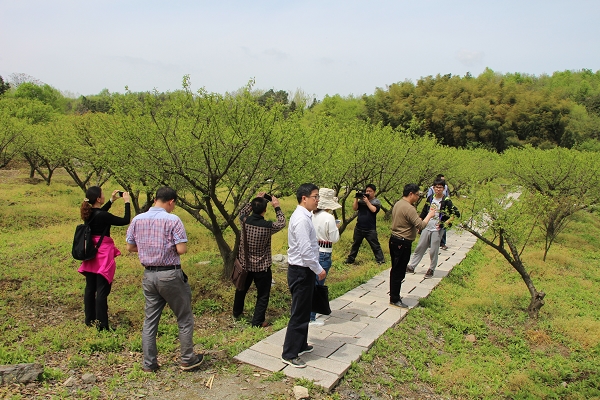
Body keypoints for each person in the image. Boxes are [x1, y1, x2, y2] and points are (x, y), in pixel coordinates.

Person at [126, 187, 203, 373]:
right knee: (184, 318)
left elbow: (130, 247)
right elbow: (181, 249)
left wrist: (148, 249)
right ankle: (187, 359)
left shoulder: (137, 219)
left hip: (149, 276)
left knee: (150, 320)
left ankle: (149, 363)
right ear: (171, 201)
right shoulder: (172, 220)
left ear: (155, 199)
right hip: (170, 274)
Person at [281, 183, 327, 368]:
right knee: (299, 313)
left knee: (304, 309)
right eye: (315, 197)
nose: (317, 200)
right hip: (301, 271)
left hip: (304, 270)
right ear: (304, 198)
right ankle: (290, 353)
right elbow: (305, 250)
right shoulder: (300, 219)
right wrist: (319, 269)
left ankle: (300, 344)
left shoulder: (306, 216)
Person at [78, 186, 131, 331]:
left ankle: (89, 320)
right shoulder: (102, 216)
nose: (104, 195)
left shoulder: (87, 213)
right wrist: (127, 202)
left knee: (90, 287)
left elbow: (99, 214)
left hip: (90, 251)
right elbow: (125, 220)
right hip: (102, 253)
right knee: (102, 290)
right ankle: (102, 325)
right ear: (98, 199)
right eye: (103, 194)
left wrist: (111, 201)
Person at [233, 192, 286, 327]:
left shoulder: (244, 220)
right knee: (263, 294)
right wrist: (277, 206)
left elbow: (242, 212)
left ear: (252, 207)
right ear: (265, 210)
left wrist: (254, 201)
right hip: (262, 267)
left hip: (245, 264)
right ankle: (257, 321)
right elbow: (282, 222)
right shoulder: (268, 226)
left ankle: (237, 313)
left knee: (241, 289)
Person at [388, 184, 436, 308]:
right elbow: (420, 225)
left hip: (394, 239)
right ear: (411, 194)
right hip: (402, 242)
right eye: (417, 195)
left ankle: (394, 295)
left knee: (396, 268)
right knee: (399, 271)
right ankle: (395, 298)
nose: (418, 197)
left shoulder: (398, 203)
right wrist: (430, 215)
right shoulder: (409, 208)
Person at [406, 178, 460, 278]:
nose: (438, 189)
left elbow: (456, 214)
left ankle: (431, 268)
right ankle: (412, 266)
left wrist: (446, 223)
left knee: (433, 250)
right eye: (436, 187)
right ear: (433, 188)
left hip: (437, 229)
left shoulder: (446, 201)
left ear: (444, 188)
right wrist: (420, 223)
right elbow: (424, 211)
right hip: (427, 226)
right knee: (420, 247)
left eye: (440, 187)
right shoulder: (430, 198)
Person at [309, 188, 341, 326]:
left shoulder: (310, 214)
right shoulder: (329, 218)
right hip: (324, 253)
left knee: (311, 283)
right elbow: (334, 238)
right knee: (318, 285)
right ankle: (311, 317)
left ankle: (308, 313)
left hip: (312, 251)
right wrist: (336, 227)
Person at [344, 184, 385, 264]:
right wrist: (356, 199)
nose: (368, 192)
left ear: (374, 192)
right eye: (367, 191)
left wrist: (367, 202)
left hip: (370, 229)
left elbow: (374, 210)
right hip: (359, 227)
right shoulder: (361, 201)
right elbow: (355, 208)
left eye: (370, 191)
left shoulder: (376, 202)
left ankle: (380, 260)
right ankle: (350, 260)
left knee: (375, 245)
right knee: (355, 244)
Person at [426, 174, 450, 250]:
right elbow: (429, 198)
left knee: (442, 225)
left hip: (442, 208)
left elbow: (447, 196)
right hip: (433, 209)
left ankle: (443, 243)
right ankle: (431, 242)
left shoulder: (445, 187)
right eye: (442, 179)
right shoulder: (431, 188)